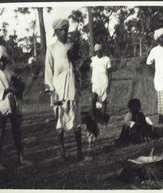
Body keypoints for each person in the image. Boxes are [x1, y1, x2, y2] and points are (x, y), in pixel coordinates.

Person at [44, 19, 83, 161]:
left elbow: (77, 68)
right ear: (55, 32)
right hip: (59, 89)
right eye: (61, 30)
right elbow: (48, 72)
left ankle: (80, 152)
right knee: (60, 121)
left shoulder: (71, 46)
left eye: (66, 29)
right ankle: (62, 152)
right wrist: (52, 93)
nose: (64, 32)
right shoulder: (52, 48)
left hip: (72, 87)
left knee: (76, 120)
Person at [0, 45, 28, 171]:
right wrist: (7, 90)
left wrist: (19, 87)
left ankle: (21, 158)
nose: (1, 62)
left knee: (17, 130)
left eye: (3, 59)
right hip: (1, 105)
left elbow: (20, 85)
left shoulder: (10, 73)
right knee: (0, 132)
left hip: (13, 103)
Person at [90, 43, 112, 121]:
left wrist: (109, 85)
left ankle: (102, 118)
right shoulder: (93, 59)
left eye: (99, 51)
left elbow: (110, 73)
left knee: (103, 101)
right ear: (95, 52)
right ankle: (94, 117)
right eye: (96, 51)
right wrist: (91, 82)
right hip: (95, 82)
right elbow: (91, 71)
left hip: (103, 82)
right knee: (93, 100)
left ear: (102, 50)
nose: (98, 53)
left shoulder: (107, 59)